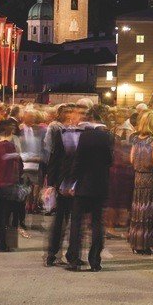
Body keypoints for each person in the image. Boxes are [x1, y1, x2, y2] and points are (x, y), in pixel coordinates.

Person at [66, 118, 113, 271]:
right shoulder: (108, 137)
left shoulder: (84, 137)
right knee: (97, 224)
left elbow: (78, 161)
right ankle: (95, 261)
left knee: (77, 223)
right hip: (100, 185)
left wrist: (72, 182)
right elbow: (109, 160)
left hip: (83, 186)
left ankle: (74, 259)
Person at [45, 105, 83, 266]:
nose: (78, 118)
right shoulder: (61, 135)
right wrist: (52, 183)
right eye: (76, 115)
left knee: (74, 221)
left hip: (77, 184)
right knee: (61, 220)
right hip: (62, 185)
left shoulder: (84, 135)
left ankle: (72, 255)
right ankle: (52, 253)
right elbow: (54, 159)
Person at [128, 110, 153, 255]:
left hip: (138, 179)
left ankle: (136, 242)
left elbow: (131, 159)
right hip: (150, 179)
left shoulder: (136, 139)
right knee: (148, 212)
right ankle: (146, 244)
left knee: (138, 210)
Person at [0, 119, 22, 252]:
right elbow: (17, 164)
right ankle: (5, 243)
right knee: (7, 215)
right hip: (9, 182)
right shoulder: (9, 146)